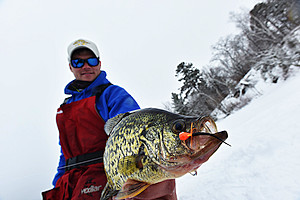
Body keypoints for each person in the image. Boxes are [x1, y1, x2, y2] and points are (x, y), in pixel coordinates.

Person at [42, 39, 177, 200]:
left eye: (91, 61)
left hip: (105, 177)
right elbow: (64, 155)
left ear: (99, 63)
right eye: (78, 62)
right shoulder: (64, 107)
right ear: (70, 67)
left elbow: (133, 134)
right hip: (73, 185)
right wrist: (58, 185)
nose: (86, 66)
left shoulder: (112, 94)